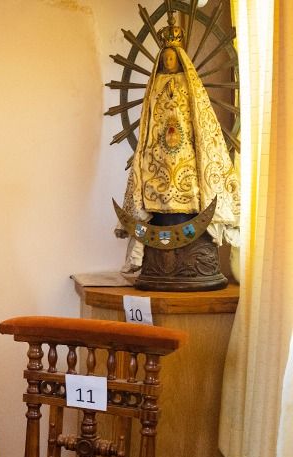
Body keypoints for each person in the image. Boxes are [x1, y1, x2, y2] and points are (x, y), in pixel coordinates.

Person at [116, 18, 239, 273]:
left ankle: (189, 249)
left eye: (173, 58)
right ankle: (153, 250)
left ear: (180, 59)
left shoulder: (190, 85)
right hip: (160, 152)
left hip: (186, 153)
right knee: (155, 187)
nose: (169, 63)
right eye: (166, 59)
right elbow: (149, 120)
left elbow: (200, 118)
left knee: (190, 191)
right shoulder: (156, 85)